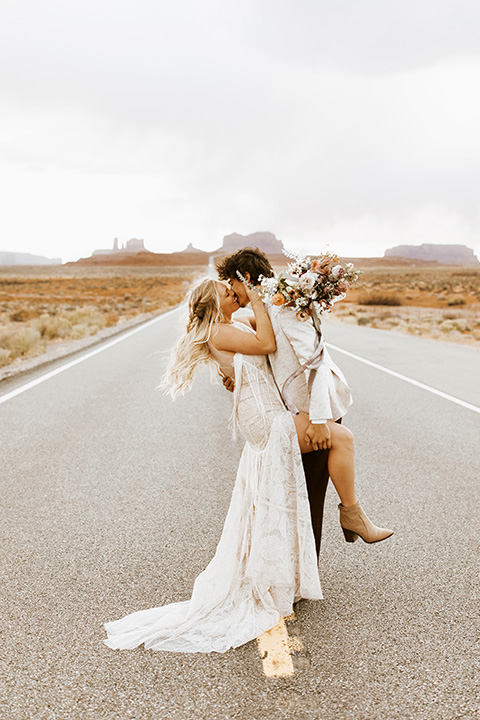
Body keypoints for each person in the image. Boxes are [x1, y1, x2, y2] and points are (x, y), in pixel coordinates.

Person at [104, 275, 392, 654]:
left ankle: (339, 527)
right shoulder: (218, 333)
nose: (233, 295)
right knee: (343, 438)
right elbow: (267, 343)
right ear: (213, 303)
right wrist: (257, 300)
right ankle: (352, 515)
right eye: (227, 294)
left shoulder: (232, 324)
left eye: (234, 290)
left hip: (268, 410)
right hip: (265, 418)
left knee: (312, 463)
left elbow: (275, 335)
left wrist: (298, 302)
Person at [217, 246, 392, 546]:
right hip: (297, 413)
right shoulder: (271, 307)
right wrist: (238, 376)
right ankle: (307, 567)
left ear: (244, 277)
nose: (232, 293)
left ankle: (313, 567)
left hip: (316, 410)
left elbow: (317, 362)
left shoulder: (284, 307)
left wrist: (321, 419)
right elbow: (260, 350)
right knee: (299, 496)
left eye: (231, 284)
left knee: (310, 495)